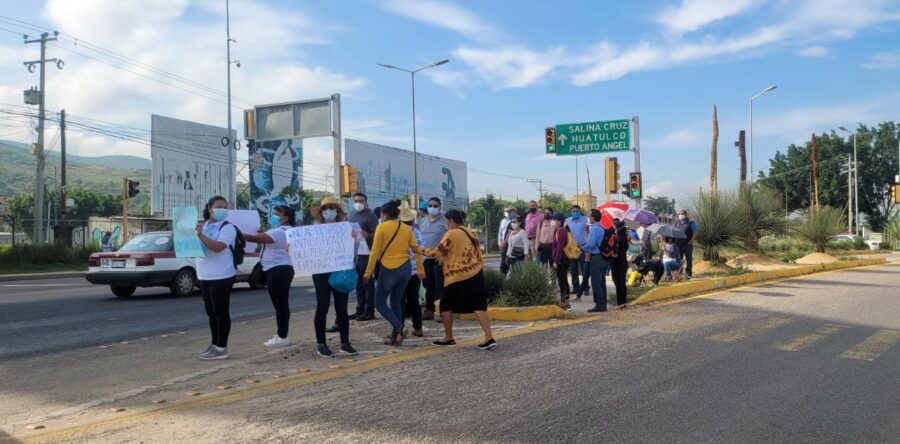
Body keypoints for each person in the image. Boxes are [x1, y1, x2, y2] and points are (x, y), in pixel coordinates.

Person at [422, 209, 496, 350]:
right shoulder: (471, 232)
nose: (446, 223)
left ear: (451, 220)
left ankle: (449, 337)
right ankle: (489, 337)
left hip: (457, 275)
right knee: (478, 305)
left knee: (446, 305)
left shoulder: (451, 233)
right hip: (475, 272)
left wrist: (420, 250)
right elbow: (477, 253)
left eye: (446, 221)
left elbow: (437, 251)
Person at [365, 200, 425, 347]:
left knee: (380, 303)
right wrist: (420, 270)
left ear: (384, 214)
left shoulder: (381, 227)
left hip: (389, 269)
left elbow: (375, 251)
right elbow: (416, 250)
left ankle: (399, 327)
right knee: (395, 302)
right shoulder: (407, 229)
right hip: (405, 269)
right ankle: (395, 337)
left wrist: (368, 272)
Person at [310, 196, 358, 358]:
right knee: (322, 307)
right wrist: (292, 247)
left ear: (338, 211)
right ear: (320, 212)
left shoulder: (346, 228)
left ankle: (345, 343)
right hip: (321, 272)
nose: (328, 211)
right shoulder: (313, 230)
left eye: (332, 208)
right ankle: (321, 344)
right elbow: (304, 249)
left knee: (342, 308)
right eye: (325, 208)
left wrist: (354, 239)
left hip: (340, 271)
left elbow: (354, 250)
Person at [241, 205, 296, 348]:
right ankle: (282, 334)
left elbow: (255, 239)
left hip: (277, 269)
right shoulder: (289, 231)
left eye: (277, 214)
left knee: (280, 304)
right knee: (282, 303)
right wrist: (263, 233)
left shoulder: (278, 231)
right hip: (284, 268)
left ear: (285, 218)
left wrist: (240, 234)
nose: (273, 216)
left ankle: (282, 336)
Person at [195, 196, 237, 360]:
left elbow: (218, 247)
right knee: (211, 312)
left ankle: (222, 348)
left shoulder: (228, 228)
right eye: (219, 206)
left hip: (222, 274)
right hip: (204, 273)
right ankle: (214, 344)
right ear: (210, 208)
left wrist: (200, 235)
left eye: (225, 207)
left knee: (221, 311)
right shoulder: (203, 225)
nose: (223, 210)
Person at [349, 192, 379, 321]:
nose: (358, 203)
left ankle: (369, 311)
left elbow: (378, 234)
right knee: (358, 284)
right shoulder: (351, 215)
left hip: (367, 254)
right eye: (356, 201)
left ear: (366, 202)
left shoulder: (371, 216)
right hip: (355, 253)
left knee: (367, 282)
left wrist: (368, 235)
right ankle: (360, 309)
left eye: (361, 201)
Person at [419, 197, 448, 321]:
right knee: (428, 285)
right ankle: (429, 309)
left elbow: (450, 238)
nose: (432, 208)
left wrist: (443, 254)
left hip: (439, 258)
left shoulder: (445, 220)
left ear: (440, 207)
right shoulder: (423, 220)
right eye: (430, 205)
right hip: (426, 258)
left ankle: (442, 311)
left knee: (440, 285)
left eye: (435, 206)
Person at [400, 201, 424, 337]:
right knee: (414, 300)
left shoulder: (398, 232)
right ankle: (418, 327)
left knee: (399, 300)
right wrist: (421, 270)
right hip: (415, 272)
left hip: (400, 271)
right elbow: (421, 252)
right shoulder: (417, 233)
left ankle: (400, 328)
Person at [584, 209, 609, 313]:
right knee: (602, 281)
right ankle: (603, 304)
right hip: (603, 256)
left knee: (595, 282)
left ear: (593, 217)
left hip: (596, 257)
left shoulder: (594, 228)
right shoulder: (602, 227)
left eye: (590, 216)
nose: (589, 218)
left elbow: (591, 244)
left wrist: (582, 248)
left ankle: (599, 304)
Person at [565, 205, 590, 298]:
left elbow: (589, 231)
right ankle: (576, 288)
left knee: (584, 269)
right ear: (571, 212)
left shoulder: (586, 219)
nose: (575, 213)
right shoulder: (567, 220)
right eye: (573, 211)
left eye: (577, 211)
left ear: (580, 212)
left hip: (582, 247)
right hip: (572, 249)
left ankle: (586, 288)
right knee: (573, 269)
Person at [550, 213, 571, 309]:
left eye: (555, 220)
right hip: (561, 259)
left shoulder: (561, 231)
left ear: (560, 221)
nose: (552, 221)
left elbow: (560, 247)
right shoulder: (558, 230)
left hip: (562, 259)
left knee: (562, 281)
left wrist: (556, 260)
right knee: (563, 280)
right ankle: (565, 302)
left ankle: (565, 302)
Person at [610, 219, 630, 310]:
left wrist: (610, 254)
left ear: (618, 229)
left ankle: (620, 303)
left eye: (615, 227)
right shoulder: (625, 238)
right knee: (622, 282)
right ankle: (623, 301)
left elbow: (616, 253)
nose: (614, 229)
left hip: (617, 263)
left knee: (618, 282)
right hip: (623, 262)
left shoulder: (618, 239)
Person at [673, 209, 698, 279]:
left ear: (686, 215)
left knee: (688, 259)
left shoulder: (691, 223)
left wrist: (690, 242)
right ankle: (679, 273)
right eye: (679, 214)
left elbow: (695, 233)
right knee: (678, 259)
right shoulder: (676, 223)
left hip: (687, 244)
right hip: (678, 245)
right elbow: (673, 232)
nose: (681, 215)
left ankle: (688, 274)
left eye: (682, 213)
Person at [497, 206, 517, 275]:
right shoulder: (503, 221)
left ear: (515, 212)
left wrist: (505, 242)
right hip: (505, 245)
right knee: (504, 264)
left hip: (514, 245)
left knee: (515, 265)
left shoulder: (517, 221)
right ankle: (501, 279)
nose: (509, 213)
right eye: (508, 212)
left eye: (511, 211)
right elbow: (500, 233)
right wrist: (500, 243)